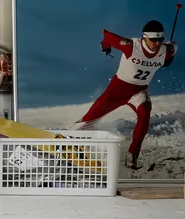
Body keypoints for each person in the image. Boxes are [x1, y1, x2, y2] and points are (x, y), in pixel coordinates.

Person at [73, 20, 177, 169]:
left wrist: (169, 59)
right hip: (117, 91)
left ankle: (132, 156)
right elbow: (107, 36)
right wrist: (105, 46)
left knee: (145, 113)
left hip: (139, 91)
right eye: (153, 40)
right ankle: (65, 139)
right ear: (144, 38)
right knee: (87, 121)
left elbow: (173, 49)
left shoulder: (167, 50)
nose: (157, 43)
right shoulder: (131, 46)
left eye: (160, 40)